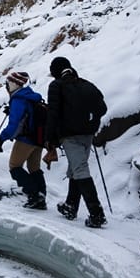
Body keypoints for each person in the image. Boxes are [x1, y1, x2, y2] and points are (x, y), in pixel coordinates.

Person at [44, 56, 108, 228]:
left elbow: (53, 113)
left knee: (79, 170)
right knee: (75, 169)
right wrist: (91, 124)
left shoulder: (56, 86)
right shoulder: (86, 84)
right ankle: (70, 206)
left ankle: (96, 214)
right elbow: (102, 108)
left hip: (69, 136)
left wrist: (49, 138)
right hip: (88, 134)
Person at [0, 71, 47, 209]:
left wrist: (2, 138)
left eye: (8, 83)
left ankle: (34, 195)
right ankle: (40, 196)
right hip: (39, 138)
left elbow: (14, 124)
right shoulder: (30, 96)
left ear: (14, 84)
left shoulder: (19, 99)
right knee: (34, 168)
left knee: (15, 166)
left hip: (26, 139)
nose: (6, 87)